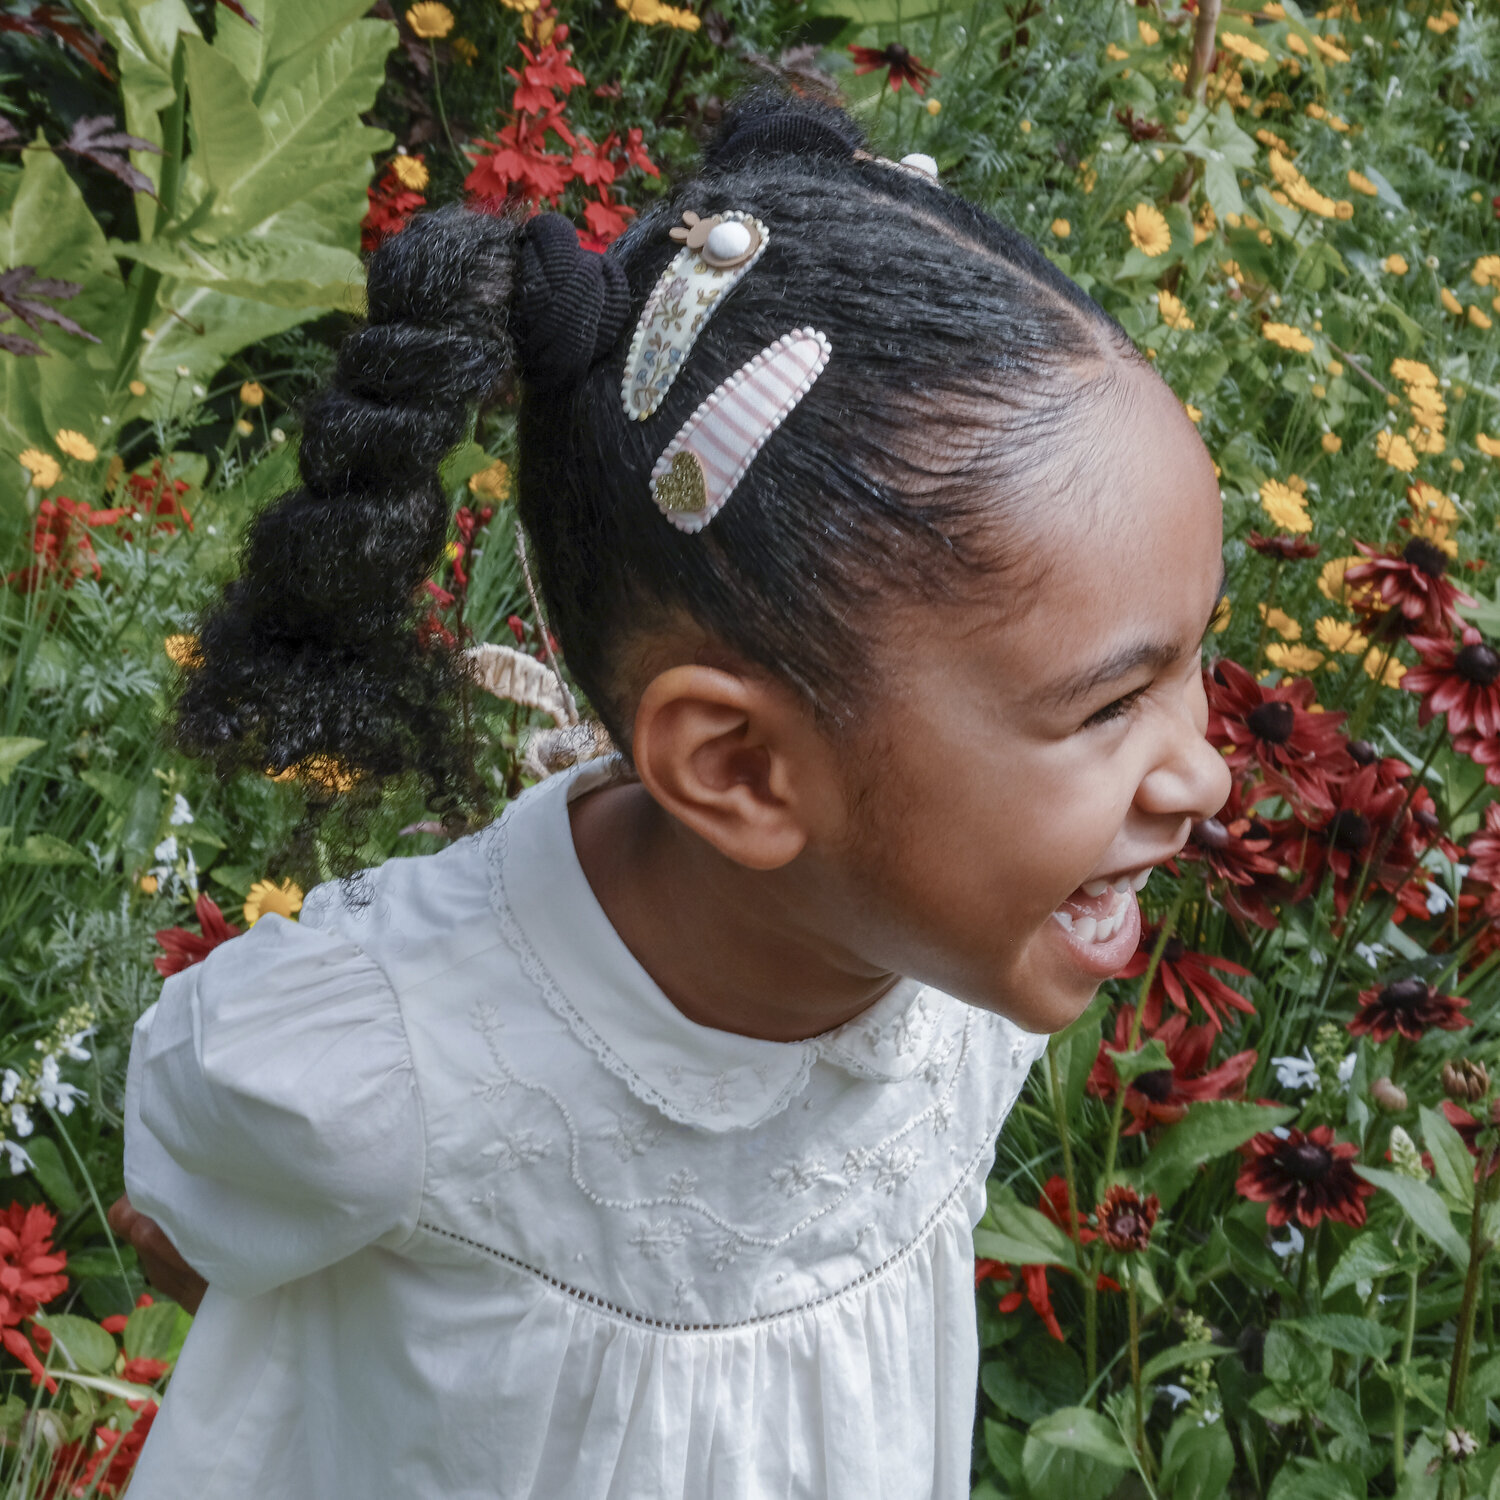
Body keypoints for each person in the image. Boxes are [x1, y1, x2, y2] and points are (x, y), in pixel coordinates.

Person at [111, 89, 1230, 1498]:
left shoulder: (953, 981)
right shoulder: (390, 1069)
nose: (1205, 767)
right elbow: (182, 1213)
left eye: (1200, 658)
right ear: (740, 769)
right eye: (1113, 705)